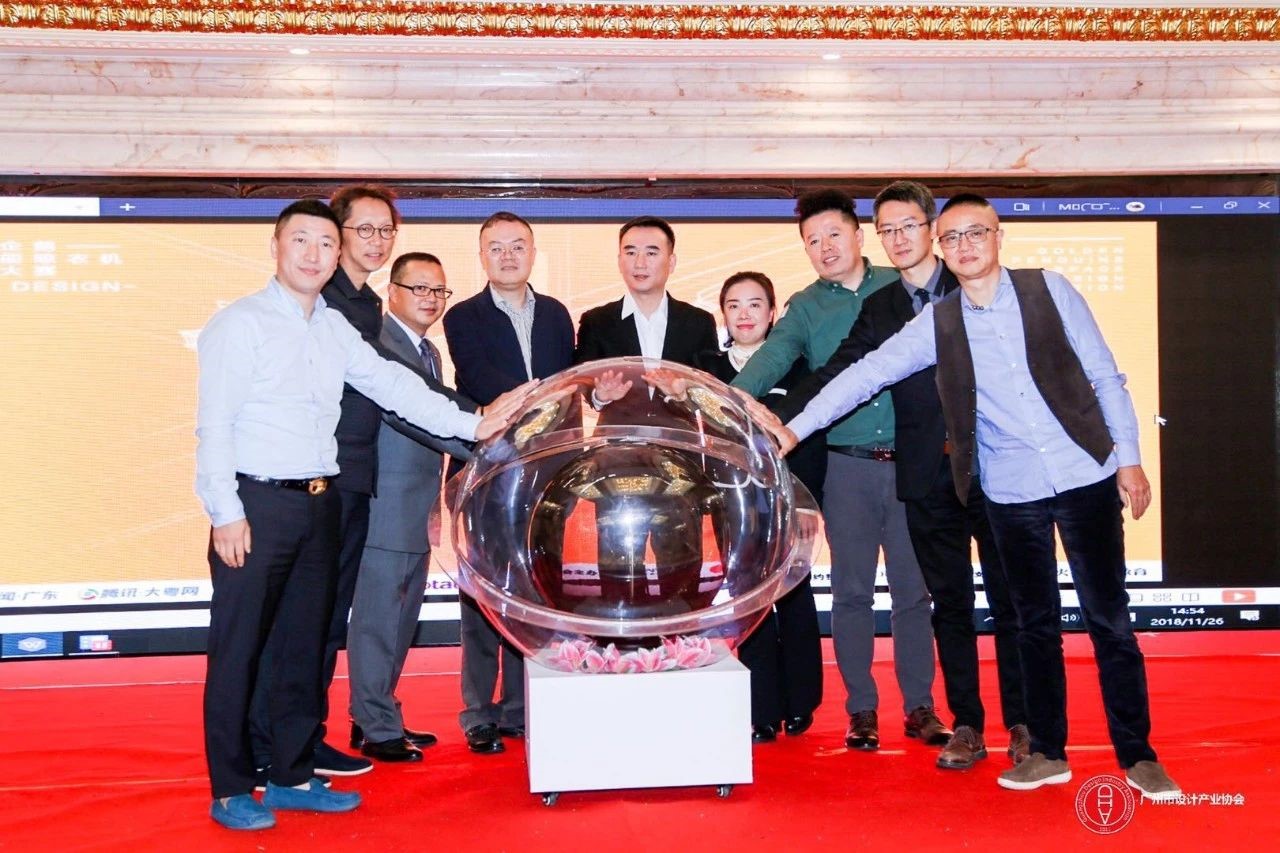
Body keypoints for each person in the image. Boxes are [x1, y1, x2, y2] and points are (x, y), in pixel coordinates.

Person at [770, 193, 1181, 800]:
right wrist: (794, 428)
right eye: (953, 237)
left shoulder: (1050, 290)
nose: (965, 247)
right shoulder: (938, 322)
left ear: (998, 236)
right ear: (941, 245)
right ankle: (1047, 752)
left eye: (976, 233)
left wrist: (1130, 459)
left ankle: (1138, 755)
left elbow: (1105, 376)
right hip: (1011, 489)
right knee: (1035, 625)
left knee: (1109, 621)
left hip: (1084, 472)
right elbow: (865, 374)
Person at [195, 200, 529, 831]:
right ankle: (232, 787)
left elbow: (396, 389)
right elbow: (213, 424)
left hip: (321, 502)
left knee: (304, 647)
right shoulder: (239, 323)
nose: (313, 254)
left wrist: (476, 424)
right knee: (239, 649)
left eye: (325, 244)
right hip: (256, 505)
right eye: (302, 241)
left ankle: (292, 775)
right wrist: (225, 511)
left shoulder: (336, 329)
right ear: (276, 247)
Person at [777, 182, 1028, 770]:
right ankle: (966, 724)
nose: (898, 238)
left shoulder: (974, 285)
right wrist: (780, 422)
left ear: (931, 228)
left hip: (994, 468)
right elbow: (846, 373)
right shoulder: (883, 307)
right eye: (888, 229)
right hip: (925, 480)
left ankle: (1025, 725)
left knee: (1012, 603)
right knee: (950, 605)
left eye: (908, 226)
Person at [731, 190, 945, 752]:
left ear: (858, 234)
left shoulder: (898, 287)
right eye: (812, 241)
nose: (824, 248)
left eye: (833, 235)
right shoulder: (804, 307)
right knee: (850, 593)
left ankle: (920, 706)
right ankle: (861, 710)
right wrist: (725, 402)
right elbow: (772, 359)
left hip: (914, 464)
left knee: (913, 593)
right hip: (847, 468)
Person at [347, 252, 500, 763]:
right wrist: (484, 446)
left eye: (439, 291)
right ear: (391, 292)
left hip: (416, 507)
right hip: (385, 506)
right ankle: (375, 725)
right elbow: (408, 416)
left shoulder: (428, 349)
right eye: (419, 289)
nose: (430, 299)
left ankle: (376, 714)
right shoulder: (379, 344)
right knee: (378, 621)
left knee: (400, 618)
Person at [443, 211, 575, 754]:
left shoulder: (557, 314)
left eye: (517, 245)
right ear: (481, 256)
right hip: (487, 472)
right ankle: (478, 711)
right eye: (495, 247)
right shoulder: (462, 316)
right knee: (481, 593)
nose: (507, 256)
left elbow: (572, 385)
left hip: (547, 476)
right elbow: (479, 381)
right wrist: (540, 401)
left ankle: (522, 708)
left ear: (533, 252)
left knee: (534, 589)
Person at [694, 271, 824, 744]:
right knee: (748, 604)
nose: (744, 314)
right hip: (732, 505)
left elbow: (809, 436)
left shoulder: (797, 366)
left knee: (793, 597)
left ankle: (801, 703)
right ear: (723, 315)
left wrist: (806, 503)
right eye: (734, 305)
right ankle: (761, 709)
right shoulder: (705, 369)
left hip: (789, 502)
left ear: (773, 313)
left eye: (755, 304)